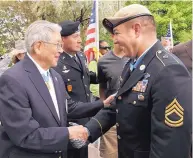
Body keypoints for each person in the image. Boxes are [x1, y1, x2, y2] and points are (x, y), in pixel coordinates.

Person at [84, 4, 192, 158]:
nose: (113, 40)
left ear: (136, 30)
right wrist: (88, 130)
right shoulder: (133, 64)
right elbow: (119, 103)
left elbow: (170, 146)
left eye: (116, 33)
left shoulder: (168, 71)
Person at [0, 20, 114, 158]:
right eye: (57, 45)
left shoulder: (54, 76)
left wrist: (103, 104)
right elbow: (25, 135)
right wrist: (68, 133)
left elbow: (68, 109)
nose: (61, 50)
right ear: (38, 46)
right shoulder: (13, 80)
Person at [54, 20, 98, 158]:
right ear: (62, 39)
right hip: (70, 123)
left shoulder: (80, 56)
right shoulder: (56, 62)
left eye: (79, 36)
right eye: (75, 37)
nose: (80, 41)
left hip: (85, 118)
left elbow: (85, 78)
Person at [98, 42, 128, 158]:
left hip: (131, 116)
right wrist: (102, 107)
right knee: (109, 154)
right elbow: (102, 86)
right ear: (114, 37)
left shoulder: (135, 57)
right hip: (111, 116)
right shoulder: (103, 61)